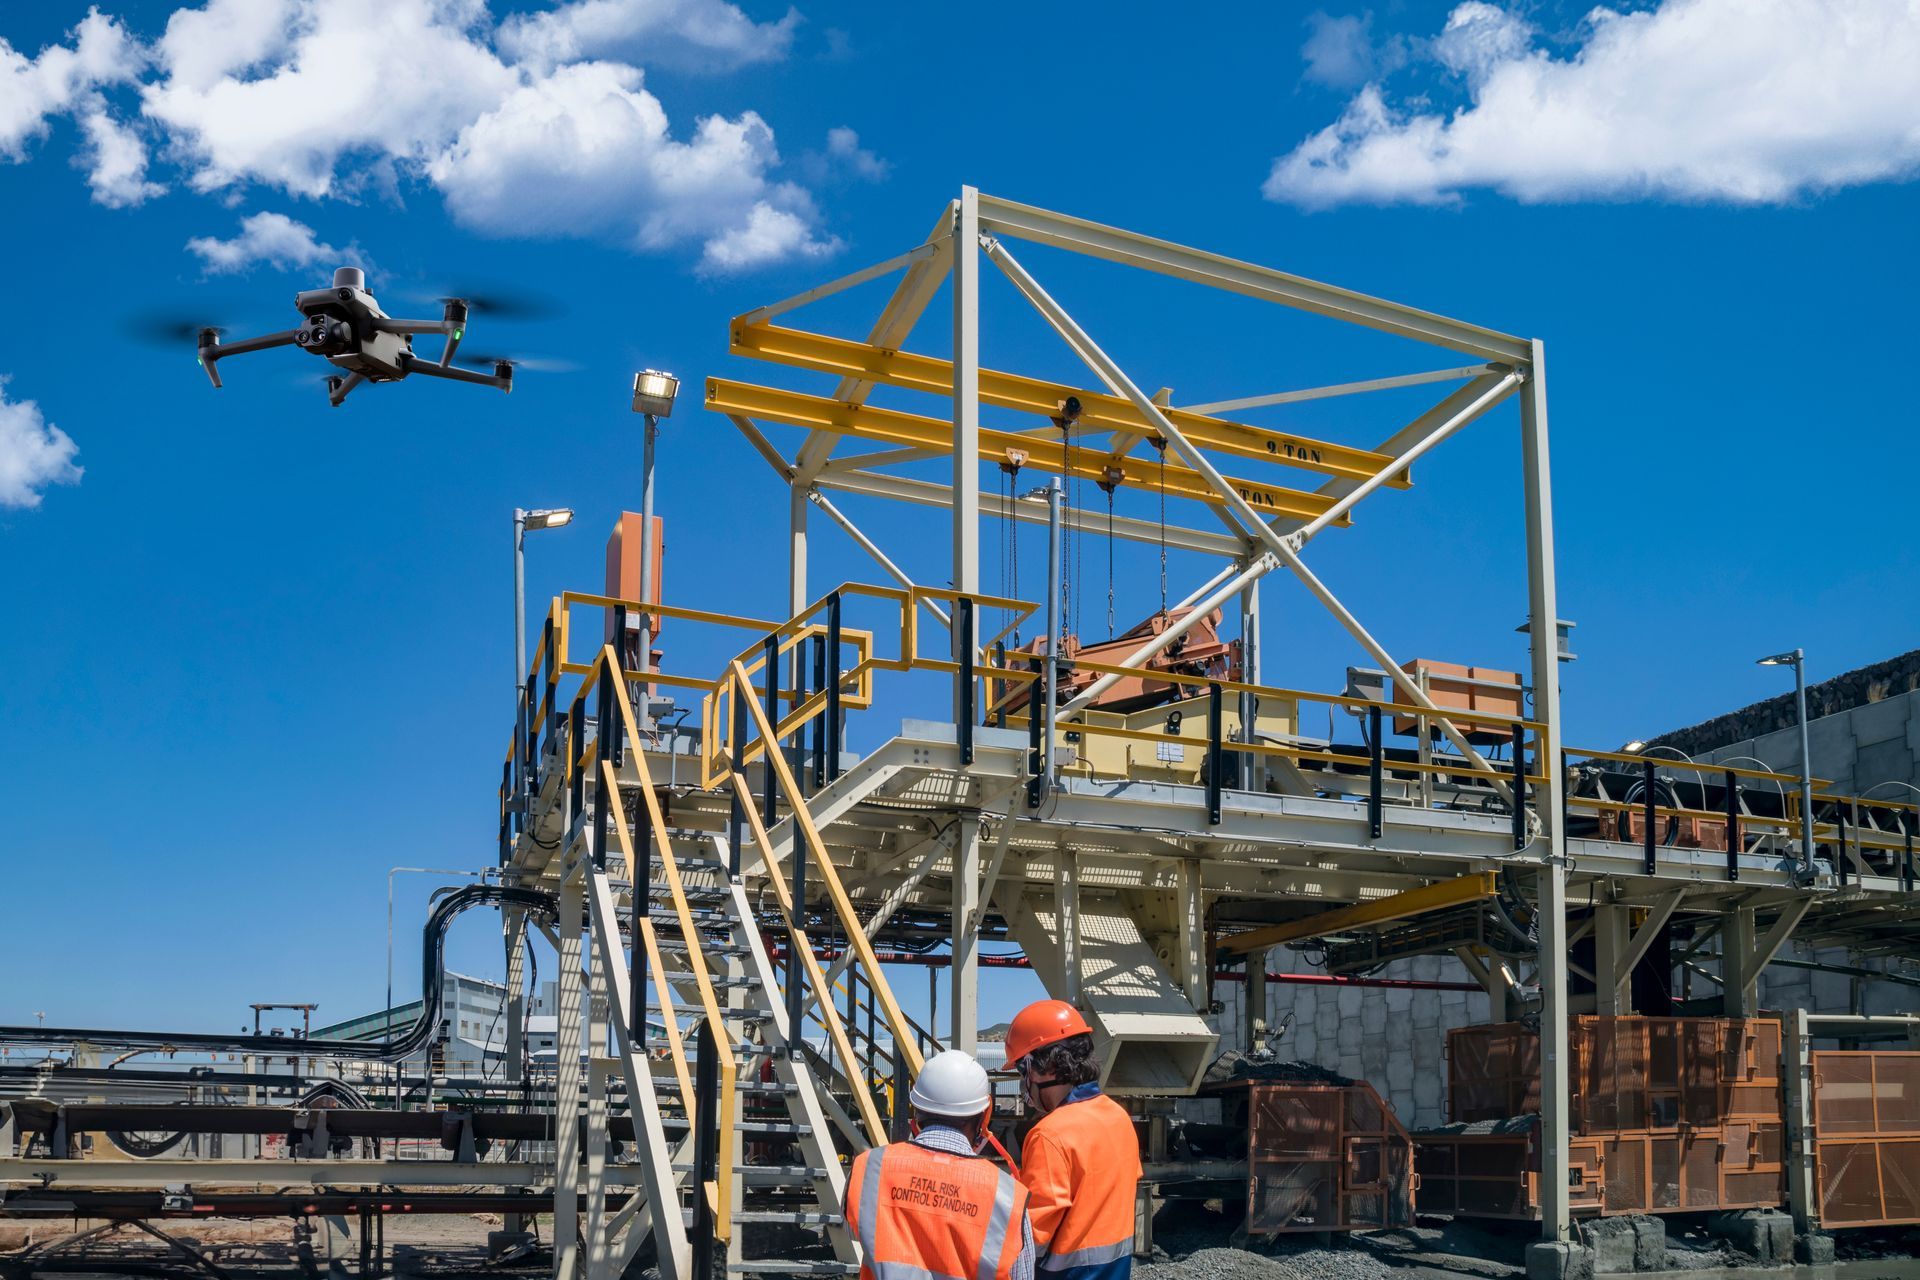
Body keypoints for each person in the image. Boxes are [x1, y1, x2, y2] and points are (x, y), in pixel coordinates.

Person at [846, 1049, 1035, 1280]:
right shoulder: (1008, 1197)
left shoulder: (869, 1168)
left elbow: (855, 1232)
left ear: (916, 1109)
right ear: (984, 1114)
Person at [1004, 1001, 1141, 1280]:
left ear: (1044, 1067)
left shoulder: (1049, 1134)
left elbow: (1032, 1238)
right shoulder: (1118, 1117)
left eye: (1022, 1070)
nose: (1023, 1082)